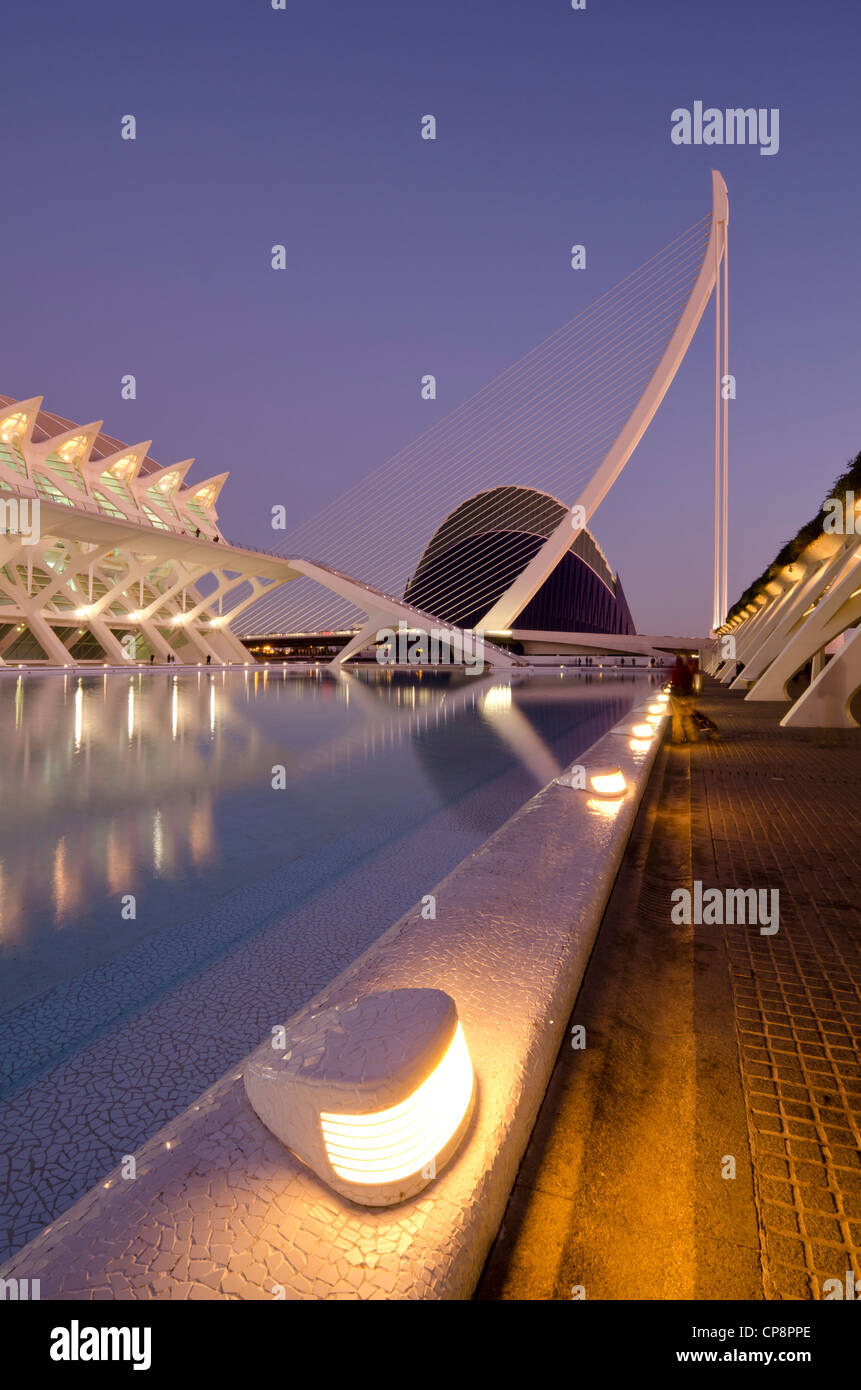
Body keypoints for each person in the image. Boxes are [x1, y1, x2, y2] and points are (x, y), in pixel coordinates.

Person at [668, 654, 699, 744]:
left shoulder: (677, 671)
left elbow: (677, 684)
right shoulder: (689, 670)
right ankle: (693, 737)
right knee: (688, 717)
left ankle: (677, 738)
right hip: (689, 696)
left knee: (677, 717)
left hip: (678, 697)